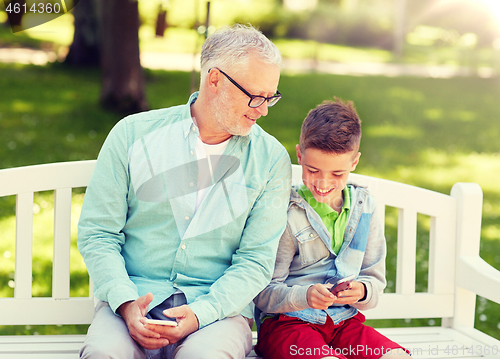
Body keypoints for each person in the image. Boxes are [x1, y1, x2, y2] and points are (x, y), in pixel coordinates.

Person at [77, 24, 291, 359]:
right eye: (255, 96)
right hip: (130, 301)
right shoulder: (131, 136)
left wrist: (201, 313)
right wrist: (126, 302)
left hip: (217, 313)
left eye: (271, 97)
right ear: (215, 80)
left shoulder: (271, 159)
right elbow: (99, 233)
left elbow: (255, 261)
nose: (263, 110)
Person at [253, 98, 411, 359]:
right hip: (288, 326)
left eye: (337, 174)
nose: (323, 183)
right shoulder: (285, 212)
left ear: (354, 162)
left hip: (342, 323)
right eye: (312, 170)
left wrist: (362, 291)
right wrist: (304, 296)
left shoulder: (365, 209)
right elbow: (263, 293)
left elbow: (374, 280)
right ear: (299, 155)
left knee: (397, 357)